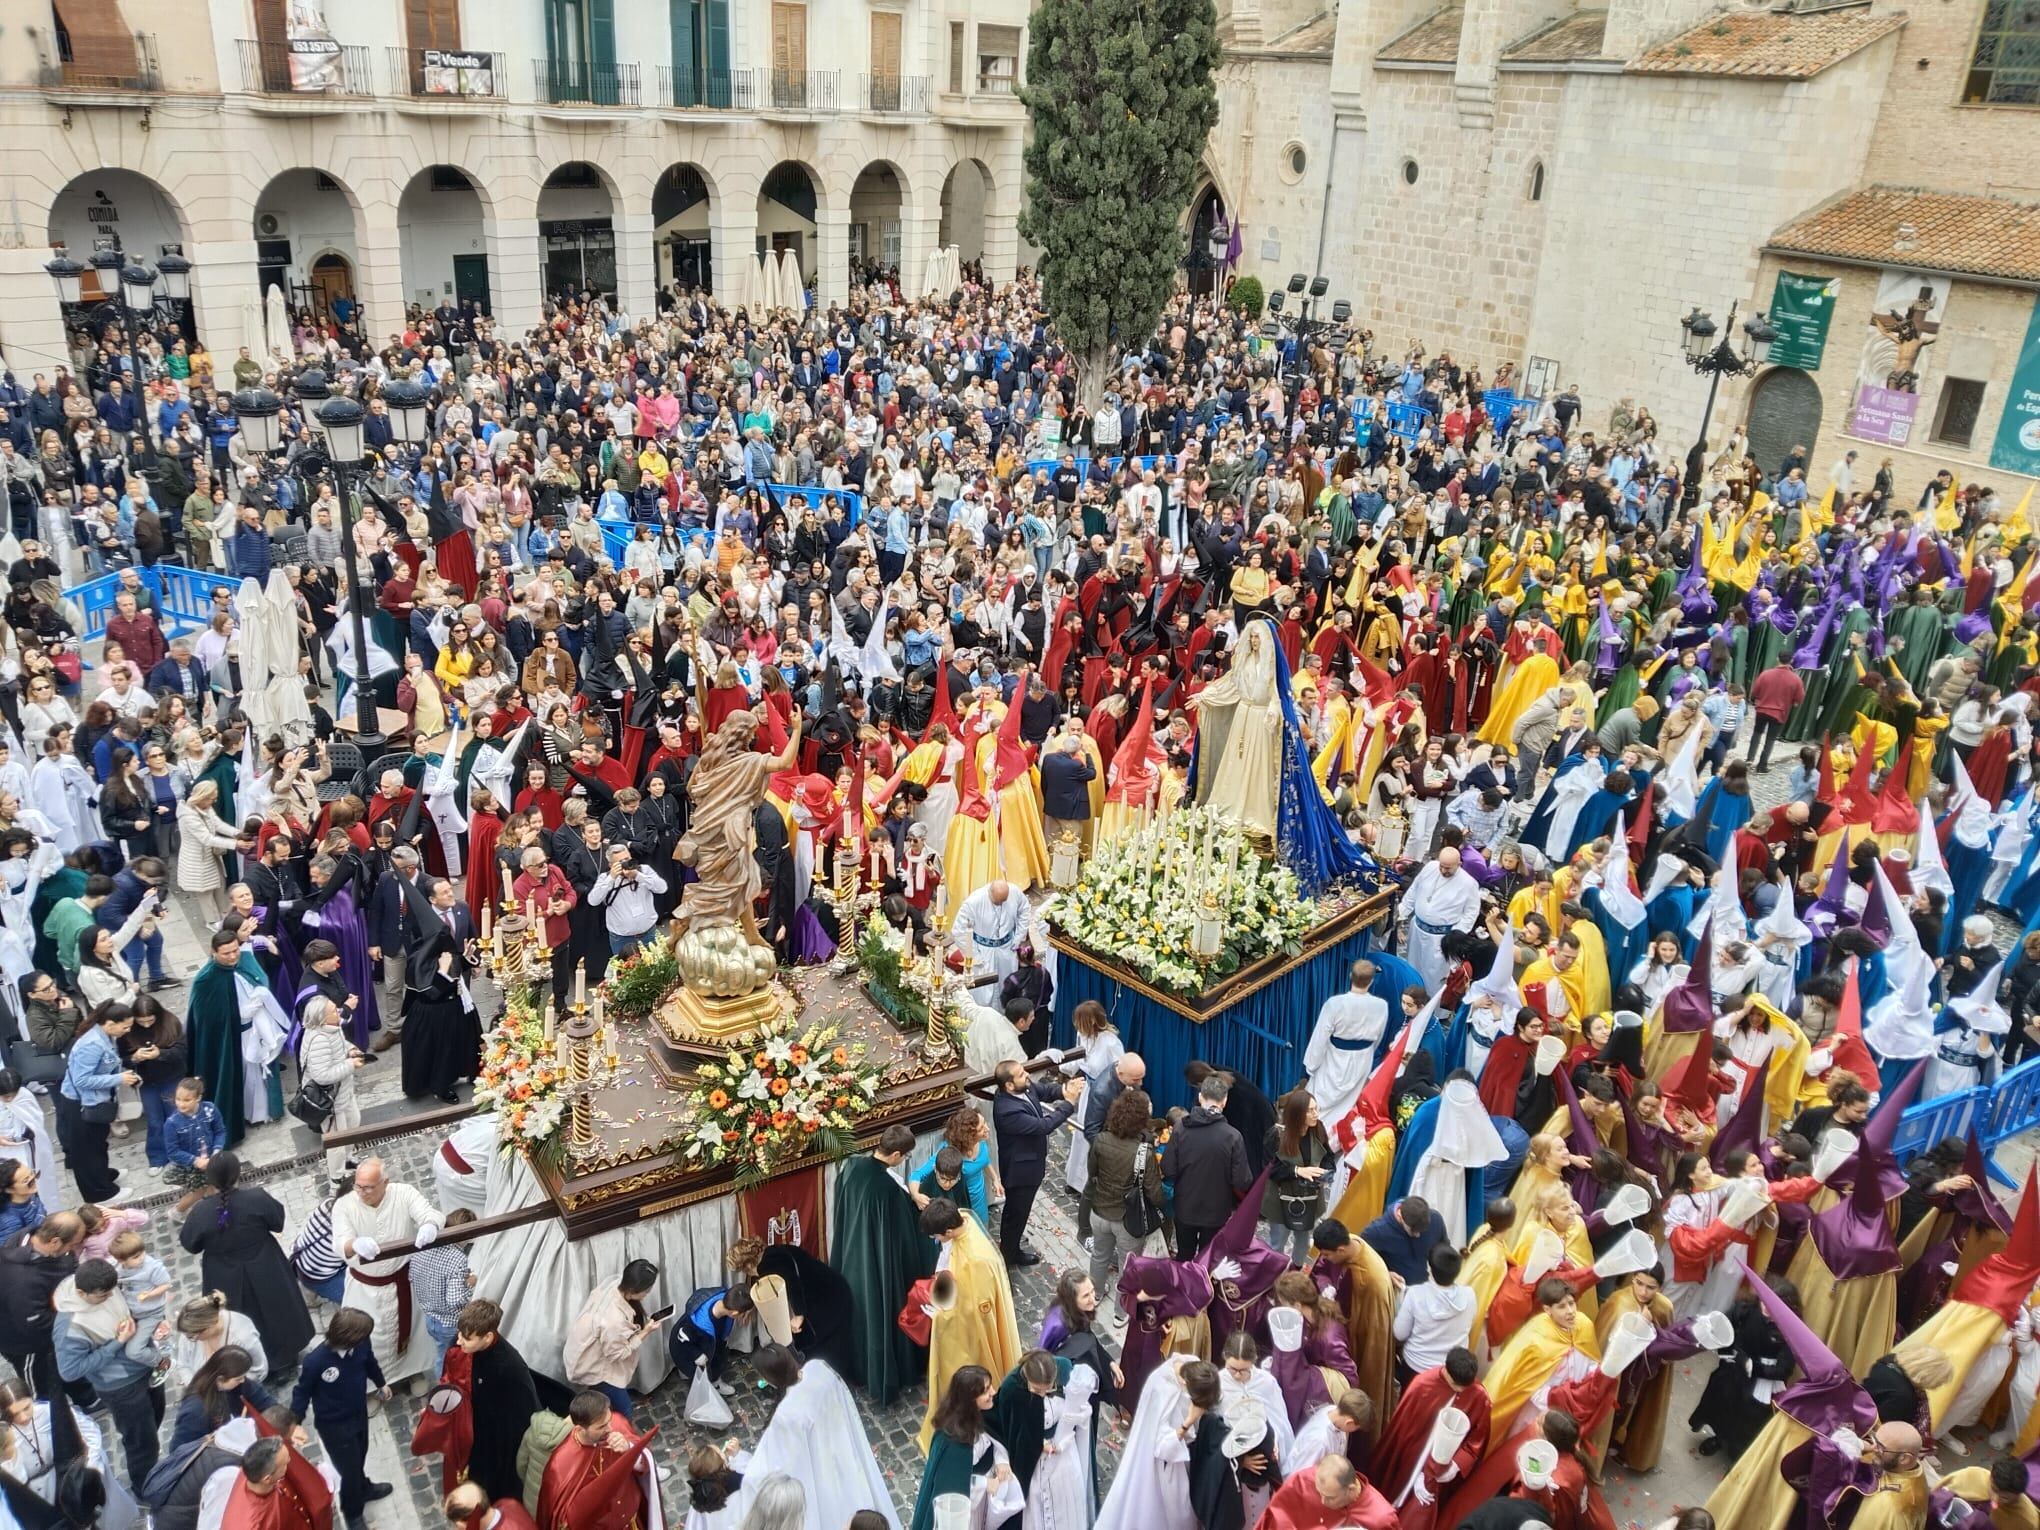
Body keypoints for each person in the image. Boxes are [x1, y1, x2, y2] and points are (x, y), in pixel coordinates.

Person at [827, 1122, 934, 1407]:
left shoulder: (851, 1166)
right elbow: (903, 1241)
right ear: (897, 1154)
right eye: (906, 1157)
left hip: (851, 1257)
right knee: (878, 1315)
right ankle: (881, 1373)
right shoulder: (887, 1191)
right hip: (876, 1269)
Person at [178, 1151, 317, 1369]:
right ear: (237, 1174)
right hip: (266, 1264)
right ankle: (286, 1356)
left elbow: (190, 1243)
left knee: (235, 1318)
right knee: (278, 1308)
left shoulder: (201, 1212)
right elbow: (277, 1222)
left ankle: (242, 1361)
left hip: (222, 1273)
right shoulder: (257, 1198)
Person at [740, 1344, 901, 1530]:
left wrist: (740, 1462)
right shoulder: (818, 1369)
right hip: (842, 1451)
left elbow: (771, 1466)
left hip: (817, 1469)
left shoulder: (786, 1415)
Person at [918, 1196, 1022, 1451]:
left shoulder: (975, 1262)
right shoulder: (964, 1216)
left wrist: (941, 1315)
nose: (937, 1241)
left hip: (972, 1336)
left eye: (938, 1236)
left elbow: (978, 1310)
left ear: (950, 1231)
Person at [331, 1156, 444, 1384]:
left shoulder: (403, 1193)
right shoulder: (345, 1205)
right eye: (358, 1186)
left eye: (369, 1187)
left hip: (402, 1281)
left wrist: (430, 1226)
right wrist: (354, 1244)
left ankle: (412, 1373)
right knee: (366, 1338)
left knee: (411, 1330)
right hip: (365, 1289)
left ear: (385, 1182)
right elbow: (339, 1240)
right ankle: (370, 1386)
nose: (362, 1192)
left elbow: (428, 1213)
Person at [51, 1256, 163, 1484]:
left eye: (112, 1291)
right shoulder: (70, 1328)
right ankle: (146, 1486)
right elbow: (70, 1371)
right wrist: (117, 1342)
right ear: (82, 1294)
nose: (110, 1297)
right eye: (103, 1295)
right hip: (121, 1386)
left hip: (145, 1366)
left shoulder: (107, 1285)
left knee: (153, 1423)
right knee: (140, 1441)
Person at [291, 1306, 393, 1528]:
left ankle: (363, 1488)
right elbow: (302, 1392)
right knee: (348, 1469)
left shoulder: (362, 1345)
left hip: (358, 1413)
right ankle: (352, 1512)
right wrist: (295, 1423)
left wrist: (381, 1383)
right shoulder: (316, 1361)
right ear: (349, 1338)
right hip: (334, 1425)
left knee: (360, 1454)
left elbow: (370, 1363)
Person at [990, 1058, 1084, 1266]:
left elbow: (1046, 1091)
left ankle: (1012, 1249)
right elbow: (1044, 1125)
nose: (1028, 1077)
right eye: (1022, 1075)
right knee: (1016, 1214)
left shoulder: (1024, 1087)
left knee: (1019, 1213)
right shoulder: (1007, 1110)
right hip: (1020, 1171)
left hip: (1031, 1165)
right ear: (1009, 1085)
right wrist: (1069, 1103)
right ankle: (1007, 1256)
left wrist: (1065, 1089)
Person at [528, 1389, 660, 1530]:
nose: (610, 1428)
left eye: (609, 1420)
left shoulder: (617, 1423)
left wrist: (629, 1447)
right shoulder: (560, 1463)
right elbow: (561, 1519)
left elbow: (644, 1461)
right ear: (580, 1429)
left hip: (633, 1522)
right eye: (602, 1426)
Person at [453, 1298, 541, 1508]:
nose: (458, 1342)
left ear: (488, 1337)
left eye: (467, 1338)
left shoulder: (509, 1366)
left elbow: (523, 1414)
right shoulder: (468, 1347)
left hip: (500, 1439)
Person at [1164, 1071, 1253, 1260]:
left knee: (1184, 1256)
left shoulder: (1180, 1129)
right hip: (1216, 1212)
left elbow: (1168, 1169)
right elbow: (1242, 1181)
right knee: (1208, 1259)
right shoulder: (1233, 1136)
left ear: (1199, 1097)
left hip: (1185, 1207)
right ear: (1224, 1101)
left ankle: (1184, 1288)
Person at [563, 1257, 664, 1421]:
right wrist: (645, 1332)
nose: (646, 1295)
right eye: (645, 1292)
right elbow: (616, 1354)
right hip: (597, 1370)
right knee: (625, 1413)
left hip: (584, 1352)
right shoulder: (613, 1322)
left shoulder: (614, 1283)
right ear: (632, 1291)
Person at [55, 1001, 134, 1204]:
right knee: (86, 1150)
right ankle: (99, 1193)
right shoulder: (92, 1044)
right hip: (79, 1103)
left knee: (98, 1143)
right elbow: (82, 1079)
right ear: (109, 1023)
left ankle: (103, 1174)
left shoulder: (107, 1036)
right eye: (125, 1027)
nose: (128, 1030)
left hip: (96, 1099)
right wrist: (118, 1079)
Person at [1303, 962, 1388, 1126]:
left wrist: (1311, 1066)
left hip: (1335, 1058)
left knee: (1321, 1098)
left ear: (1351, 977)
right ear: (1371, 981)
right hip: (1363, 1058)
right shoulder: (1381, 1006)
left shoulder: (1334, 1003)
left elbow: (1320, 1037)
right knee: (1350, 1101)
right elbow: (1379, 1036)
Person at [1254, 1454, 1399, 1530]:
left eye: (1330, 1498)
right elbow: (1274, 1519)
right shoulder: (1303, 1482)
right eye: (1319, 1493)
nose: (1322, 1501)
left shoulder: (1382, 1518)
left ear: (1351, 1490)